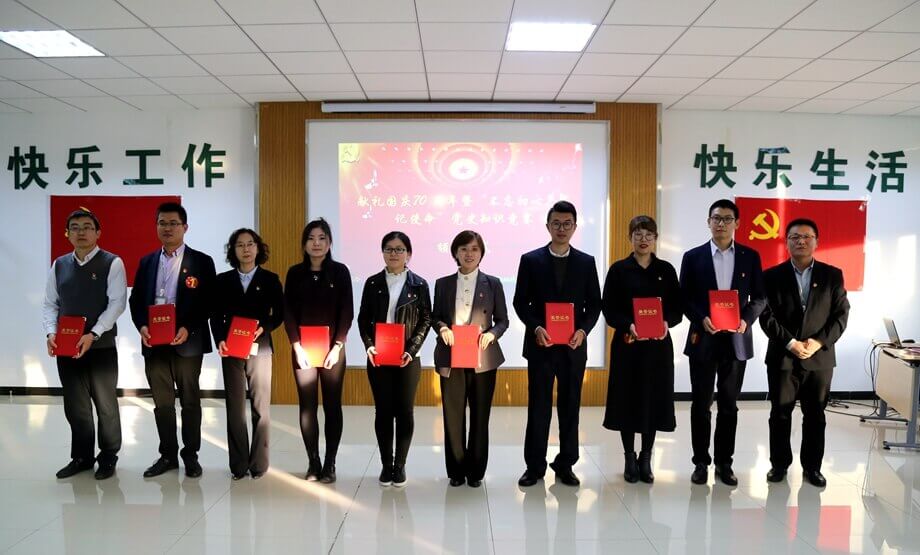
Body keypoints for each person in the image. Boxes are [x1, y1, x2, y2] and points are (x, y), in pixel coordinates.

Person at [513, 201, 602, 487]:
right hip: (541, 345)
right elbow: (520, 302)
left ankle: (566, 463)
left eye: (567, 224)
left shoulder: (586, 262)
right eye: (556, 223)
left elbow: (594, 304)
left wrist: (583, 330)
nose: (561, 229)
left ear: (575, 227)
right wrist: (536, 327)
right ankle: (534, 466)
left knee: (570, 406)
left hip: (573, 348)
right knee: (538, 407)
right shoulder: (531, 260)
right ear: (548, 226)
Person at [679, 198, 765, 486]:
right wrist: (701, 318)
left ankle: (724, 464)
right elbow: (684, 298)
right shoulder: (693, 257)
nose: (721, 223)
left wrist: (746, 320)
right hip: (704, 338)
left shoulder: (750, 256)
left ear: (737, 223)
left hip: (736, 341)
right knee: (701, 404)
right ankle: (700, 462)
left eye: (727, 219)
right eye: (716, 218)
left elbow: (760, 298)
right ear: (708, 222)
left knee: (729, 405)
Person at [759, 218, 849, 488]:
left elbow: (841, 315)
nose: (801, 241)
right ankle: (779, 465)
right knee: (780, 414)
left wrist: (818, 342)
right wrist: (790, 343)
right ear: (786, 242)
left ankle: (812, 468)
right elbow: (765, 315)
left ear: (816, 242)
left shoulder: (832, 275)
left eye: (807, 236)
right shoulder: (771, 276)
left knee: (815, 415)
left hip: (819, 358)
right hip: (783, 356)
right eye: (795, 237)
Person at [129, 202, 216, 478]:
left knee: (190, 401)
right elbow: (136, 300)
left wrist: (188, 328)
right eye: (162, 223)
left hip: (186, 343)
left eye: (173, 223)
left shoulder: (201, 262)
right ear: (156, 227)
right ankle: (167, 455)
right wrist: (142, 325)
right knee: (162, 403)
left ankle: (191, 456)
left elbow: (208, 302)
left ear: (185, 227)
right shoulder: (147, 262)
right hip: (154, 343)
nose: (167, 228)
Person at [43, 209, 126, 480]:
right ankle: (82, 457)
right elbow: (50, 303)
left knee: (106, 405)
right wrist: (51, 333)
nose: (81, 232)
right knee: (76, 405)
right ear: (67, 234)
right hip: (67, 347)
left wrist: (94, 333)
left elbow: (117, 304)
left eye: (87, 226)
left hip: (100, 346)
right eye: (75, 227)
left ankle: (108, 455)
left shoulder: (112, 263)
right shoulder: (59, 264)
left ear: (98, 233)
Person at [601, 215, 682, 484]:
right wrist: (629, 325)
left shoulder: (666, 270)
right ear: (630, 238)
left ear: (656, 239)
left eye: (648, 235)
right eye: (638, 234)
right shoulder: (619, 270)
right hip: (628, 346)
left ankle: (646, 458)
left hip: (658, 348)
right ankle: (629, 457)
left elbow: (677, 308)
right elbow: (609, 308)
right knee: (627, 400)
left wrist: (667, 322)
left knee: (653, 400)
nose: (643, 239)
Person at [432, 230, 509, 488]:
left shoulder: (493, 283)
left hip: (482, 357)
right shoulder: (443, 283)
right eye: (463, 248)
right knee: (453, 416)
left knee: (479, 416)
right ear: (455, 252)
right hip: (451, 354)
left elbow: (503, 320)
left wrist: (492, 334)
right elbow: (435, 316)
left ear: (481, 253)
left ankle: (476, 471)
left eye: (474, 249)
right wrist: (442, 328)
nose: (469, 253)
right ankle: (456, 470)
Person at [357, 231, 431, 488]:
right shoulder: (372, 282)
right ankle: (385, 465)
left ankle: (400, 465)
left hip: (408, 358)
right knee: (383, 411)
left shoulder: (419, 284)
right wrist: (369, 345)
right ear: (383, 252)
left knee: (405, 411)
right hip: (379, 356)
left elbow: (426, 319)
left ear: (408, 254)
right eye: (389, 248)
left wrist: (411, 349)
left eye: (400, 249)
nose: (394, 253)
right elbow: (363, 318)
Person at [283, 219, 354, 483]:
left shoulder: (340, 272)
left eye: (322, 238)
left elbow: (347, 311)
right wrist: (296, 346)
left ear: (330, 243)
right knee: (307, 406)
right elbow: (288, 312)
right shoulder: (294, 273)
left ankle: (330, 463)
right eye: (311, 238)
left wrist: (338, 346)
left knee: (332, 405)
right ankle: (313, 462)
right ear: (304, 244)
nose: (316, 243)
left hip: (333, 350)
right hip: (302, 350)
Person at [212, 228, 283, 480]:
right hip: (231, 349)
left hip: (259, 348)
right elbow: (215, 315)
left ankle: (259, 463)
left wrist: (264, 327)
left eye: (250, 244)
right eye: (240, 245)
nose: (246, 249)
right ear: (233, 250)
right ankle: (238, 465)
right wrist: (220, 339)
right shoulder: (222, 280)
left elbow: (280, 314)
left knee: (260, 406)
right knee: (234, 407)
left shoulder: (270, 279)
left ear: (258, 248)